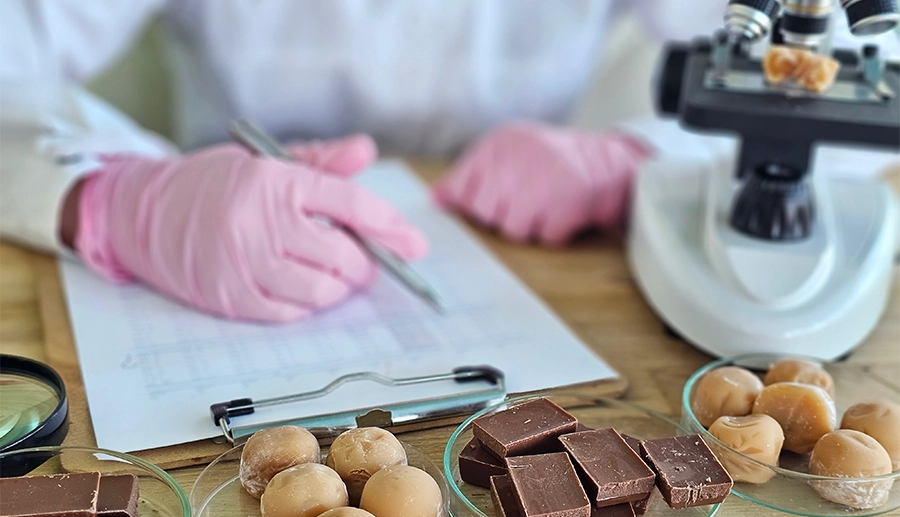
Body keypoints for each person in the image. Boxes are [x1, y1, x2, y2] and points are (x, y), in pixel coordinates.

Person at [0, 1, 893, 322]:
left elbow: (859, 64)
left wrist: (637, 157)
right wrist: (112, 198)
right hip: (216, 246)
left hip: (533, 256)